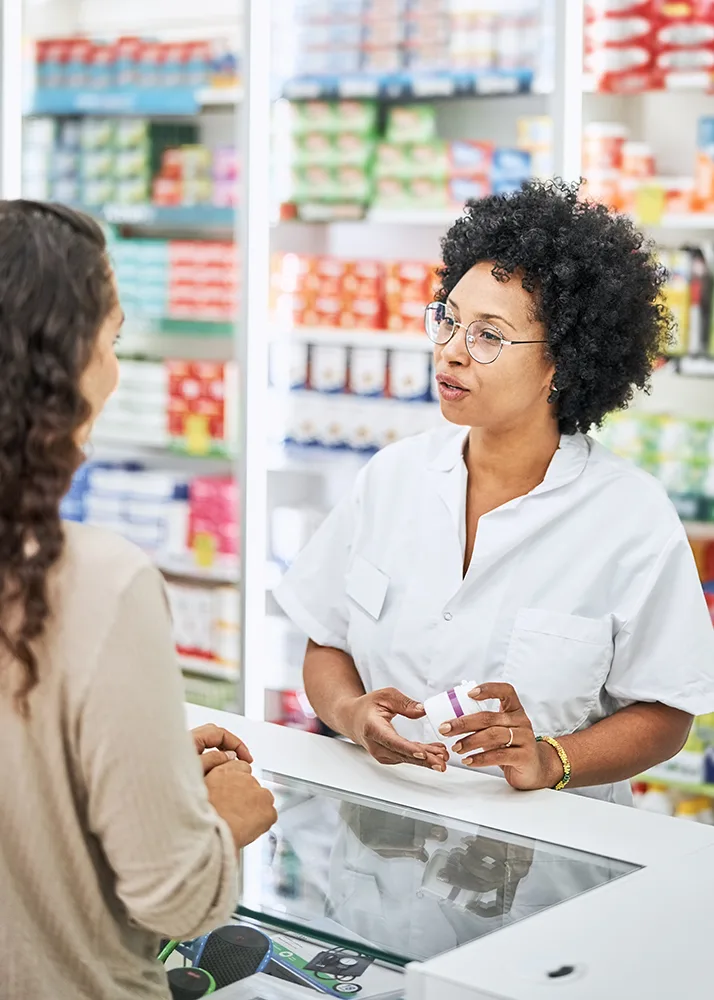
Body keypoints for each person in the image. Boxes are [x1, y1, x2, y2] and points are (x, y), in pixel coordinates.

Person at [275, 179, 714, 806]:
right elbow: (327, 641)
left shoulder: (630, 517)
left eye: (488, 336)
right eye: (449, 321)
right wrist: (350, 714)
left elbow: (668, 713)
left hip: (550, 862)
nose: (453, 351)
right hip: (380, 839)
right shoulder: (391, 477)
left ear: (560, 363)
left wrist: (551, 758)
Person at [0, 201, 277, 1000]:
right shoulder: (97, 581)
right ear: (64, 365)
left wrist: (141, 769)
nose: (116, 370)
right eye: (112, 339)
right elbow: (177, 897)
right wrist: (223, 817)